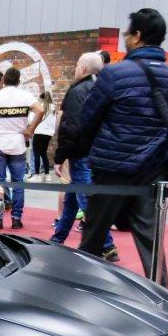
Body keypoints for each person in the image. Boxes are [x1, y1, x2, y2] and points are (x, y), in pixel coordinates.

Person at [73, 8, 168, 285]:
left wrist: (81, 152)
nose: (125, 37)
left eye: (127, 33)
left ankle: (78, 289)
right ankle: (163, 297)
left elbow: (88, 118)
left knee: (92, 238)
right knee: (152, 244)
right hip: (153, 171)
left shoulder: (115, 73)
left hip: (112, 170)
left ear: (137, 35)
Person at [50, 52, 118, 260]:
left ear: (83, 69)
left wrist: (60, 157)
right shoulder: (102, 89)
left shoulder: (78, 91)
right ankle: (58, 237)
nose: (75, 69)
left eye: (77, 65)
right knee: (73, 199)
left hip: (81, 154)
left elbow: (71, 126)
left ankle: (107, 245)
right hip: (97, 152)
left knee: (86, 202)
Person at [0, 66, 43, 229]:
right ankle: (16, 219)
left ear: (4, 80)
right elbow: (40, 110)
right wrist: (30, 130)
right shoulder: (26, 96)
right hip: (18, 144)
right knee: (18, 183)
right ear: (19, 81)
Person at [31, 90, 56, 178]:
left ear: (41, 98)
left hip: (38, 133)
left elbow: (31, 119)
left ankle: (37, 175)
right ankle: (47, 175)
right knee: (44, 154)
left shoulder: (40, 107)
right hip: (48, 134)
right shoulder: (53, 108)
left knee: (36, 154)